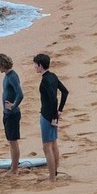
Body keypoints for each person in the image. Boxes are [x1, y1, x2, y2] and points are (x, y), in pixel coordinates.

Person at [33, 53, 69, 182]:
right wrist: (59, 111)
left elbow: (53, 99)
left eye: (35, 65)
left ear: (40, 66)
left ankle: (52, 177)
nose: (34, 67)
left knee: (46, 146)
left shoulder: (45, 80)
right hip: (52, 115)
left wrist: (55, 115)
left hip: (47, 116)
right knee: (53, 143)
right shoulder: (53, 76)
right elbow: (65, 92)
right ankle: (55, 171)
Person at [0, 53, 23, 175]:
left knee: (13, 141)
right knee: (10, 141)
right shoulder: (7, 75)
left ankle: (14, 169)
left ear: (2, 64)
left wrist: (13, 105)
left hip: (12, 114)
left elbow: (20, 94)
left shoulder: (12, 76)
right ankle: (13, 166)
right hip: (7, 114)